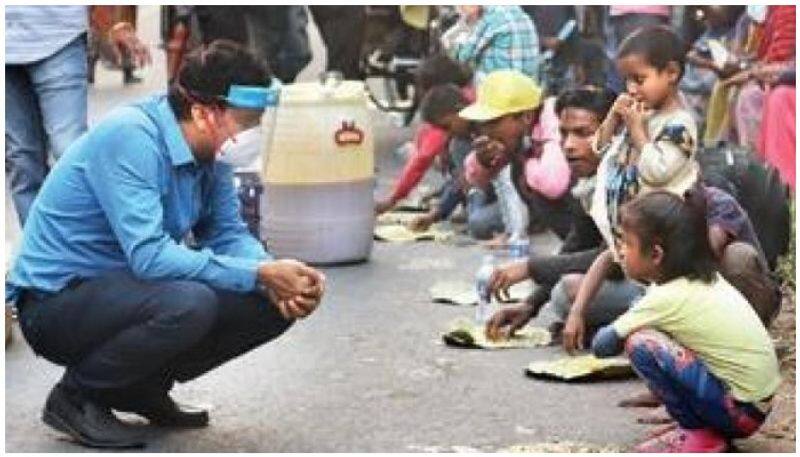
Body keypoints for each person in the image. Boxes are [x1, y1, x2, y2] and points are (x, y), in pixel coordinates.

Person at [6, 40, 325, 449]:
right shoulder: (132, 136)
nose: (253, 134)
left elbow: (227, 235)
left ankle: (137, 387)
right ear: (203, 113)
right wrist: (258, 272)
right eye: (247, 122)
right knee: (188, 303)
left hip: (126, 293)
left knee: (268, 303)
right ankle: (77, 396)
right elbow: (150, 257)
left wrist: (275, 274)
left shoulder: (212, 154)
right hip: (55, 304)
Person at [592, 190, 780, 452]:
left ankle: (698, 434)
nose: (620, 251)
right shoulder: (709, 279)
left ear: (656, 254)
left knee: (640, 342)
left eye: (626, 243)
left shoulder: (667, 297)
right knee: (660, 333)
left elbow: (602, 345)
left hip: (740, 412)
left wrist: (625, 323)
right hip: (757, 405)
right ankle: (699, 426)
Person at [560, 25, 702, 354]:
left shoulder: (679, 124)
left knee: (662, 308)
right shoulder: (641, 113)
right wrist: (612, 118)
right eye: (627, 81)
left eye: (639, 79)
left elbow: (657, 168)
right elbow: (598, 149)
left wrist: (637, 131)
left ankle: (663, 364)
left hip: (661, 242)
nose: (632, 89)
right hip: (630, 237)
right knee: (575, 293)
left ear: (671, 73)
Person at [5, 6, 151, 226]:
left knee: (70, 152)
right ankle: (41, 251)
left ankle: (84, 245)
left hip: (59, 36)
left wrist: (113, 24)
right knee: (23, 161)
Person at [374, 54, 474, 215]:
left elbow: (422, 159)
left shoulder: (451, 108)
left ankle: (471, 204)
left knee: (455, 149)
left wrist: (393, 199)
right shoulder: (470, 93)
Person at [406, 84, 501, 238]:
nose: (447, 132)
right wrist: (435, 214)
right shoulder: (460, 141)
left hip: (514, 195)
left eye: (447, 125)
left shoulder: (490, 127)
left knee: (479, 223)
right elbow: (461, 179)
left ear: (460, 109)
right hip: (488, 193)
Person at [450, 6, 540, 83]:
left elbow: (462, 56)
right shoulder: (520, 13)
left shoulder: (491, 17)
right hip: (527, 90)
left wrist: (458, 36)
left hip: (501, 93)